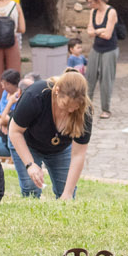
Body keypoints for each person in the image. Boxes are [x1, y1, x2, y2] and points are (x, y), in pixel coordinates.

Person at [8, 70, 94, 200]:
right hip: (26, 142)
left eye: (74, 107)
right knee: (31, 187)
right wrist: (30, 165)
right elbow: (15, 132)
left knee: (66, 191)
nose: (70, 110)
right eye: (65, 105)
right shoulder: (35, 95)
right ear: (57, 91)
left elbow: (78, 154)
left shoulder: (85, 112)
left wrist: (68, 192)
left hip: (61, 149)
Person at [84, 0, 119, 119]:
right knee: (90, 77)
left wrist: (96, 32)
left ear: (98, 0)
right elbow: (89, 31)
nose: (89, 5)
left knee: (106, 79)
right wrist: (100, 31)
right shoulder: (93, 12)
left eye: (91, 2)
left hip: (109, 49)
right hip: (96, 48)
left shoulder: (111, 12)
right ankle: (86, 107)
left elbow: (108, 35)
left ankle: (106, 109)